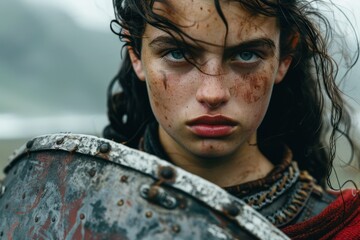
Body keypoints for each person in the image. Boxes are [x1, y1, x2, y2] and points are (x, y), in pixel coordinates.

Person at [104, 0, 360, 238]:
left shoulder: (347, 228)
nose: (212, 94)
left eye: (247, 55)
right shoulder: (76, 204)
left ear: (285, 55)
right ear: (136, 53)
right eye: (178, 54)